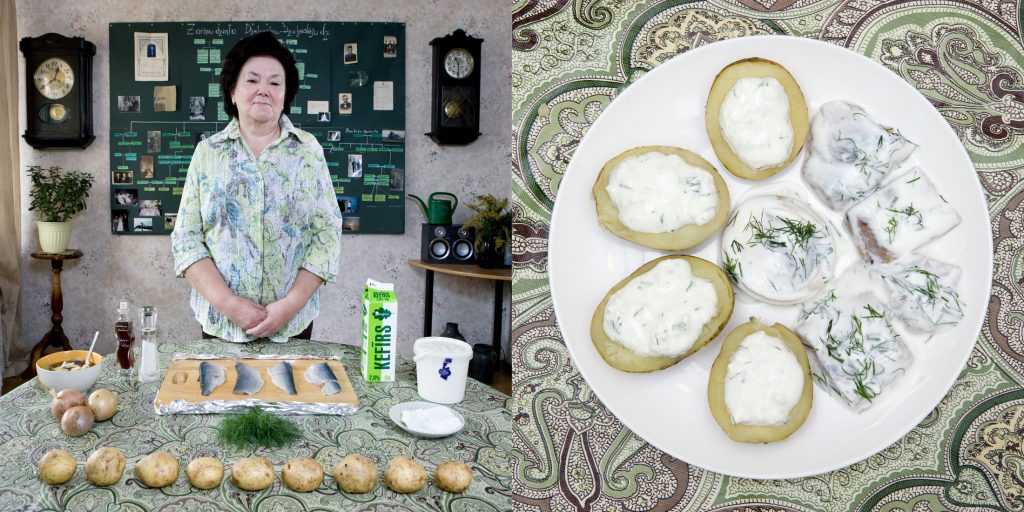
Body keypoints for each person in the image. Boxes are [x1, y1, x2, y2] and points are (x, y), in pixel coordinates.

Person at [171, 31, 344, 343]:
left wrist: (290, 306)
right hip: (222, 324)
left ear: (285, 95)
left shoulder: (307, 151)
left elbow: (327, 234)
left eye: (275, 83)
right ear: (232, 92)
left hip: (292, 324)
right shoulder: (208, 153)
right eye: (252, 80)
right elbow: (186, 238)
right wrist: (228, 303)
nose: (264, 89)